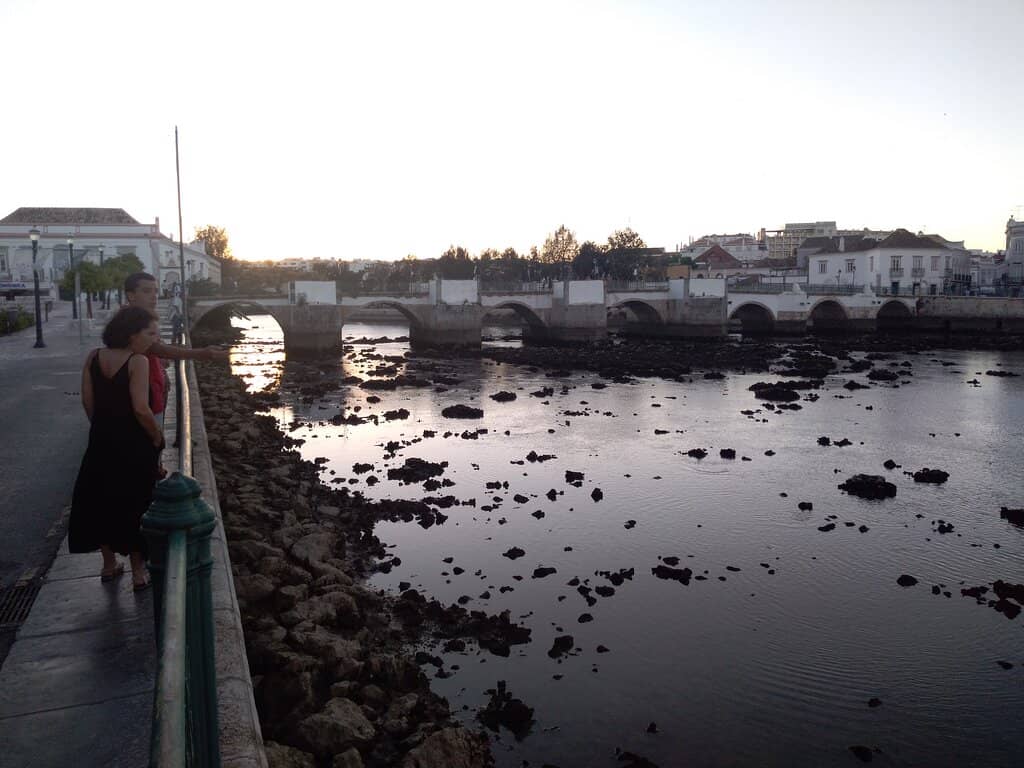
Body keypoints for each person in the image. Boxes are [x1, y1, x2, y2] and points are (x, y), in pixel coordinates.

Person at [68, 306, 164, 591]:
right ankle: (138, 571)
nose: (153, 338)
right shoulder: (138, 361)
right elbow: (141, 408)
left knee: (100, 499)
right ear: (132, 334)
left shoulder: (94, 357)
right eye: (150, 333)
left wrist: (103, 427)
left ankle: (108, 565)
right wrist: (156, 436)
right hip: (133, 442)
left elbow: (88, 401)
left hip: (101, 439)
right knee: (135, 502)